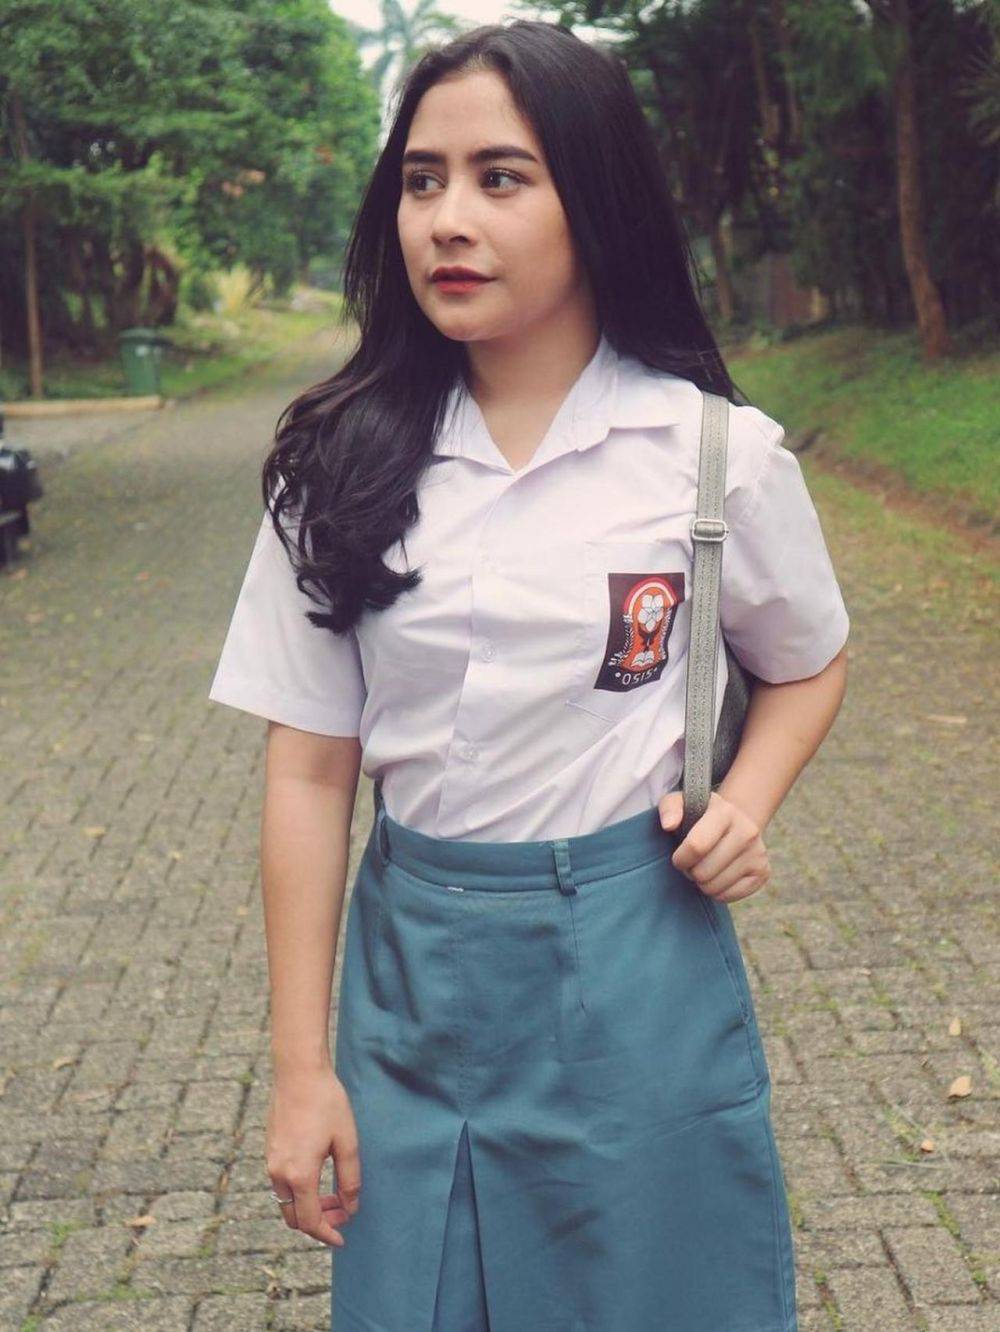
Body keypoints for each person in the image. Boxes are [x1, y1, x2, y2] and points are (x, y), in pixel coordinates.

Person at [208, 19, 849, 1332]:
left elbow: (807, 662)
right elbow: (309, 771)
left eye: (501, 177)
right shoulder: (334, 466)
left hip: (637, 959)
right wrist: (301, 1070)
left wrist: (746, 802)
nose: (449, 218)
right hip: (410, 980)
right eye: (422, 180)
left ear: (595, 201)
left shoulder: (713, 457)